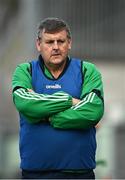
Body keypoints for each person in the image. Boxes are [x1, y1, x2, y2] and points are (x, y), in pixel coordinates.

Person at [12, 17, 104, 179]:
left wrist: (45, 114)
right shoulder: (25, 71)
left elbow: (93, 111)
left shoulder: (87, 70)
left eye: (60, 41)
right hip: (35, 174)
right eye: (49, 42)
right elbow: (25, 103)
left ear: (69, 43)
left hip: (80, 173)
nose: (56, 47)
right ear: (38, 44)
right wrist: (70, 101)